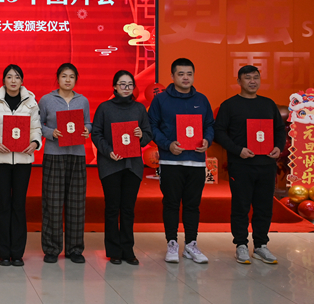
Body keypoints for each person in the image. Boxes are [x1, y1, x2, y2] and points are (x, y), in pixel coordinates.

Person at [214, 65, 285, 265]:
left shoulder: (268, 104)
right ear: (239, 81)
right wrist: (238, 150)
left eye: (256, 77)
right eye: (247, 78)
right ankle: (241, 245)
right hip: (241, 164)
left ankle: (261, 245)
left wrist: (278, 147)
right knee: (241, 205)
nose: (252, 81)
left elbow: (279, 130)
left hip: (266, 164)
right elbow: (219, 132)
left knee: (264, 207)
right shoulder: (229, 105)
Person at [148, 58, 214, 264]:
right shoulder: (161, 100)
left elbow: (210, 125)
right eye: (181, 74)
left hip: (196, 162)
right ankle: (172, 243)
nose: (186, 78)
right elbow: (152, 126)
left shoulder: (202, 100)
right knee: (171, 203)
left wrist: (207, 140)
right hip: (171, 162)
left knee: (193, 205)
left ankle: (191, 244)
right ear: (172, 76)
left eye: (189, 74)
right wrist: (167, 145)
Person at [0, 64, 41, 266]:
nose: (13, 80)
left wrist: (35, 143)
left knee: (19, 205)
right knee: (4, 205)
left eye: (17, 77)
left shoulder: (31, 102)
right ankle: (4, 253)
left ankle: (18, 253)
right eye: (9, 77)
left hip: (24, 161)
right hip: (1, 161)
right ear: (3, 80)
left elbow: (36, 129)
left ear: (22, 80)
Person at [91, 70, 152, 265]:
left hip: (132, 166)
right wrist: (108, 151)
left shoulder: (139, 109)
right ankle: (113, 251)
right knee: (112, 208)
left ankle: (128, 250)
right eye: (122, 84)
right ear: (114, 87)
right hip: (110, 165)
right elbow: (96, 134)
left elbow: (148, 134)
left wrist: (141, 135)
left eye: (130, 85)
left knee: (128, 209)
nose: (126, 88)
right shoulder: (105, 108)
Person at [37, 63, 91, 264]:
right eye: (64, 76)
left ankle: (74, 249)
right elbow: (37, 125)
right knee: (52, 202)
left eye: (71, 76)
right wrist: (51, 133)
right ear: (57, 78)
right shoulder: (46, 100)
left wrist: (86, 130)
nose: (68, 80)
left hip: (77, 155)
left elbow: (88, 122)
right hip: (54, 154)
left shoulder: (82, 100)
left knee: (76, 203)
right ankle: (52, 248)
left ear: (76, 79)